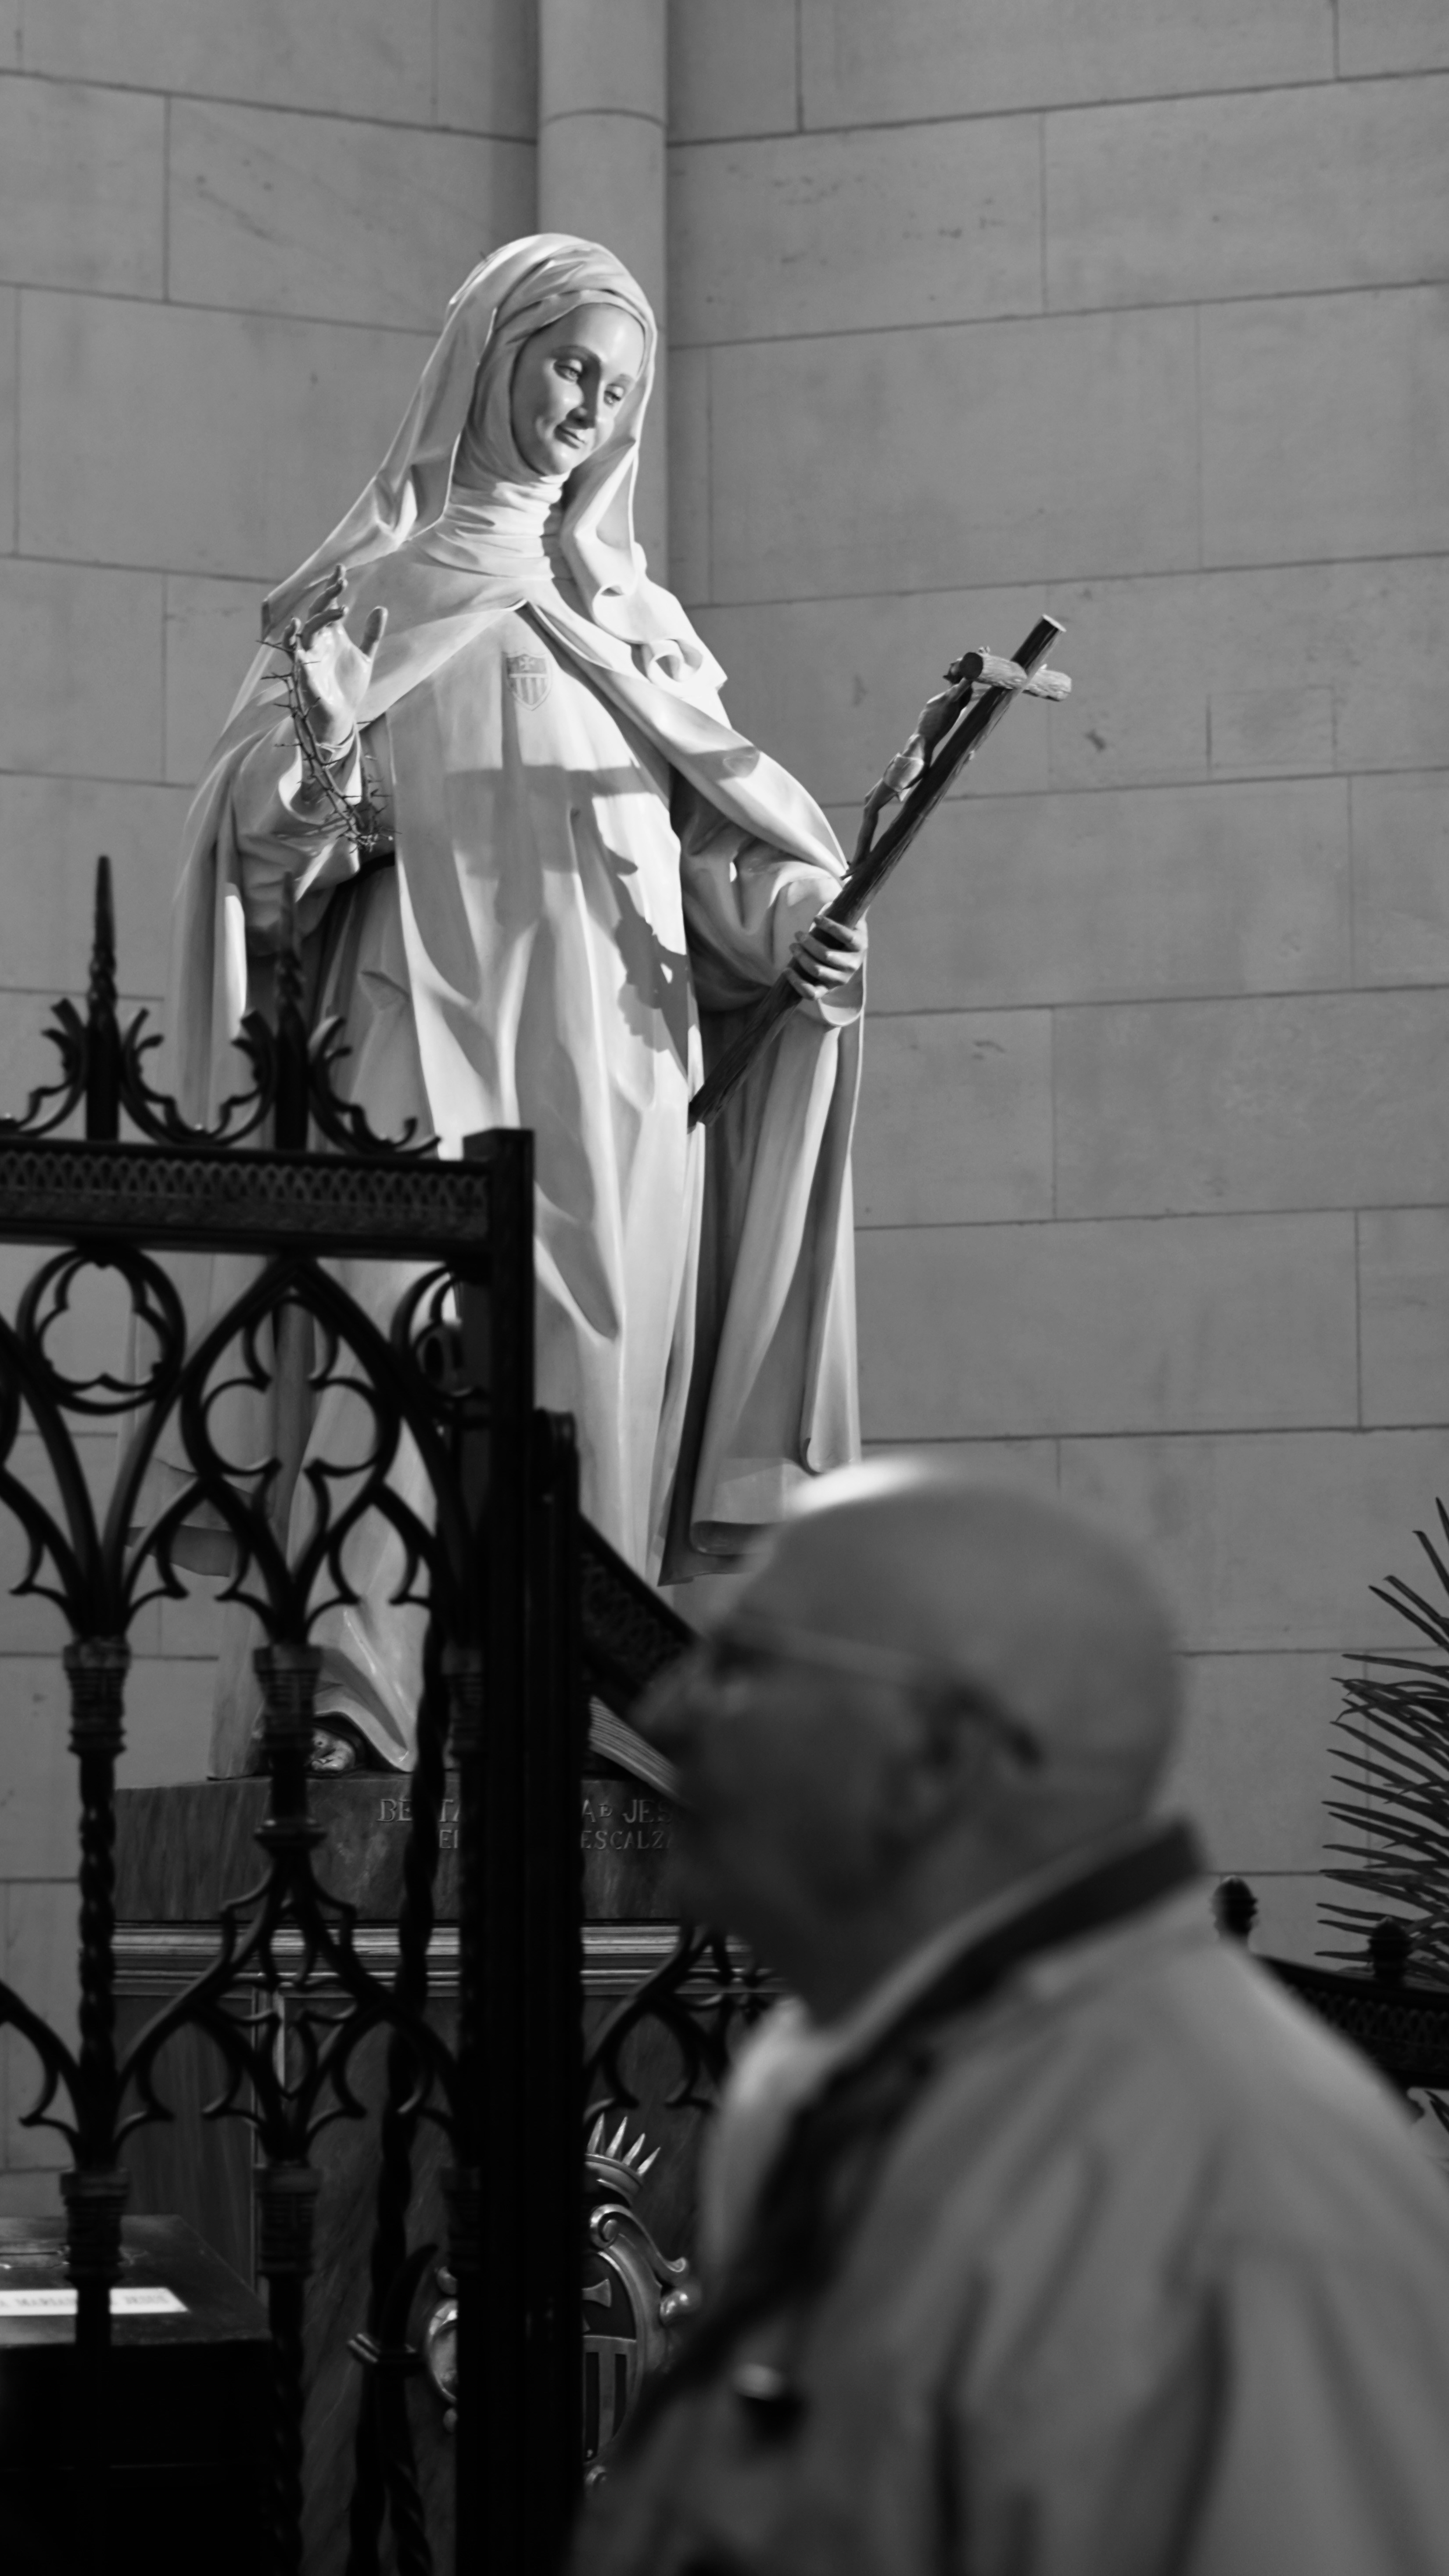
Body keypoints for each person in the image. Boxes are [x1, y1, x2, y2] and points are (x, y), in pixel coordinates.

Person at [164, 234, 864, 1772]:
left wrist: (796, 924)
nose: (587, 409)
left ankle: (564, 1716)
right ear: (490, 357)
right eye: (568, 368)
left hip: (613, 1059)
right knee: (396, 1339)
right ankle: (355, 1707)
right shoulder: (368, 593)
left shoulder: (633, 619)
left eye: (616, 392)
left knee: (585, 1378)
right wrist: (334, 774)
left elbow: (709, 850)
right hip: (419, 1016)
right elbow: (258, 855)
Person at [574, 1462, 1449, 2576]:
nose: (665, 1711)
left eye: (741, 1666)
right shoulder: (810, 2069)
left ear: (937, 1754)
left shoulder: (1257, 2195)